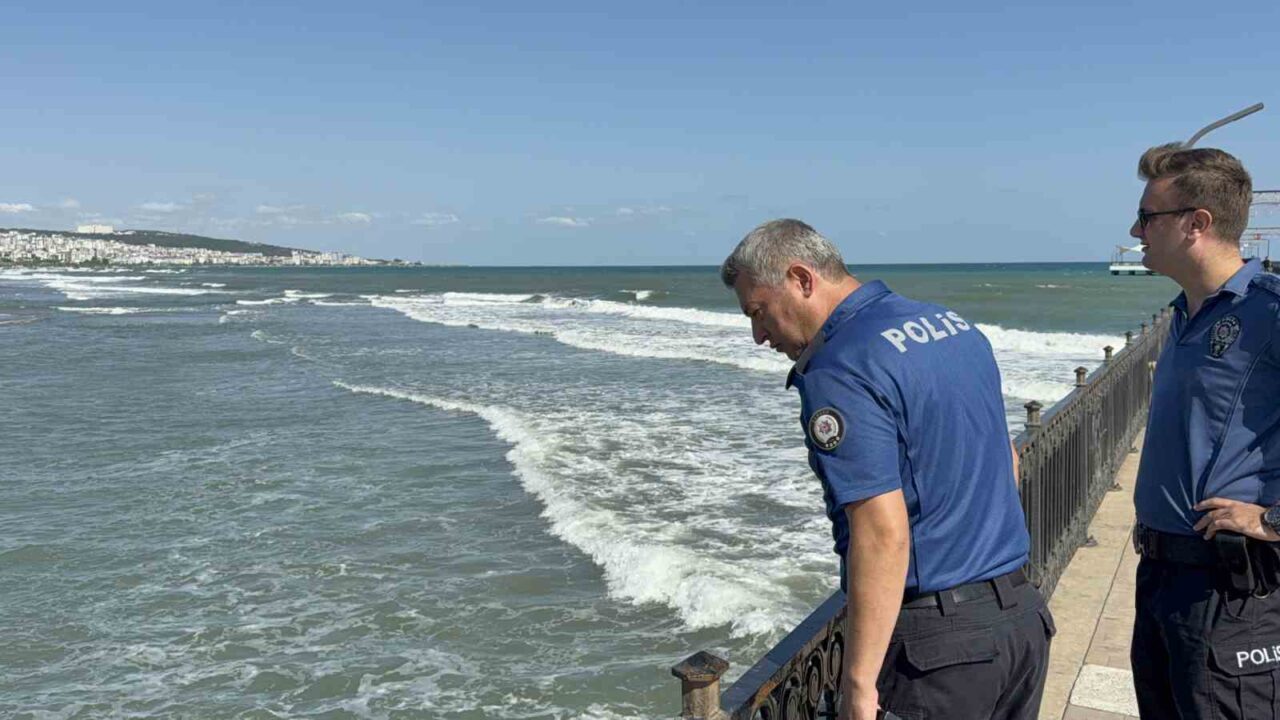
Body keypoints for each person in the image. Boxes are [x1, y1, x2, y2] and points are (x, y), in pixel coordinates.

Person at [721, 219, 1053, 720]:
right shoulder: (951, 326)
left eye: (759, 312)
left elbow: (881, 531)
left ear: (801, 279)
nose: (758, 336)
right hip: (1020, 621)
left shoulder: (840, 367)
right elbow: (1004, 458)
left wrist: (858, 684)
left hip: (937, 654)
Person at [1128, 144, 1280, 719]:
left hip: (1232, 593)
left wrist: (1271, 519)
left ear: (1197, 224)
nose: (1135, 229)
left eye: (1148, 216)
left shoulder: (1268, 312)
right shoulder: (1186, 312)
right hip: (1164, 581)